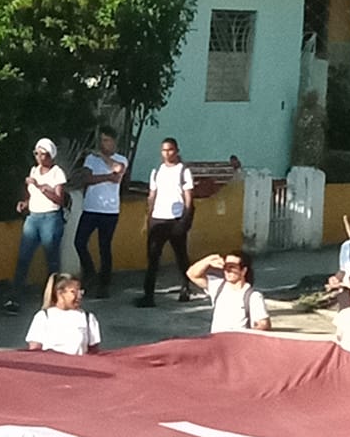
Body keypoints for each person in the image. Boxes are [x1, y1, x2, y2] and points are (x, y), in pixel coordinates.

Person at [4, 138, 67, 313]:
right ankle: (14, 298)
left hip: (50, 218)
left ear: (50, 155)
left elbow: (59, 199)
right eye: (36, 153)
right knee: (23, 257)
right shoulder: (34, 170)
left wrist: (41, 186)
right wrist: (25, 203)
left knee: (51, 259)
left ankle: (54, 298)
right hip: (33, 217)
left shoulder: (57, 173)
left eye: (42, 153)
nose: (39, 157)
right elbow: (32, 195)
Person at [72, 127, 128, 299]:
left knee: (105, 247)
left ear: (113, 142)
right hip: (91, 207)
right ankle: (90, 274)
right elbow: (87, 179)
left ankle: (104, 284)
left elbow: (118, 172)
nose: (104, 144)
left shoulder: (120, 159)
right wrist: (106, 177)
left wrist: (103, 157)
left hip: (109, 210)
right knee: (79, 242)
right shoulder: (91, 159)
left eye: (107, 140)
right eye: (102, 140)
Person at [137, 138, 193, 307]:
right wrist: (148, 217)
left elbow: (188, 196)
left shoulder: (183, 171)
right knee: (153, 258)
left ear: (176, 151)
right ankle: (148, 295)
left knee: (181, 255)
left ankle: (185, 287)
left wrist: (185, 217)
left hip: (175, 219)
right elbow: (152, 194)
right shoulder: (157, 171)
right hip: (158, 219)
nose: (166, 153)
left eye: (170, 150)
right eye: (163, 150)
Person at [187, 251, 271, 333]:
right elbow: (192, 274)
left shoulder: (253, 296)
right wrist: (208, 260)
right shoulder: (217, 286)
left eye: (232, 267)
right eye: (226, 266)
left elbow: (264, 324)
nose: (227, 270)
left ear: (243, 271)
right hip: (217, 343)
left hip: (238, 344)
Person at [25, 273, 102, 354]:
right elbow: (34, 351)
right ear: (60, 293)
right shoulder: (43, 317)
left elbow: (94, 352)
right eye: (73, 292)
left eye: (80, 291)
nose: (79, 296)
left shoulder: (88, 318)